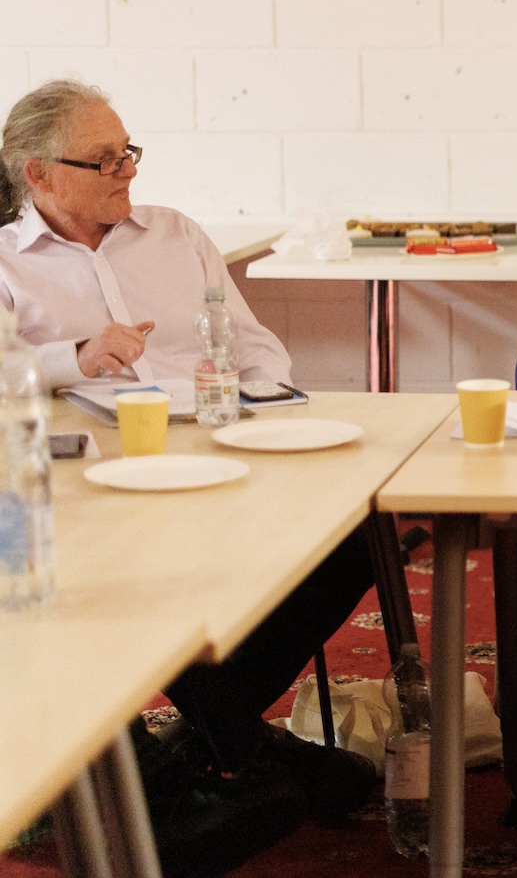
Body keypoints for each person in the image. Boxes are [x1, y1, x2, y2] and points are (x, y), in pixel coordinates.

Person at [0, 80, 375, 869]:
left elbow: (256, 344)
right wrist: (74, 357)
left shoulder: (176, 234)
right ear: (38, 173)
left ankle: (209, 742)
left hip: (222, 456)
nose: (128, 169)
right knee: (141, 572)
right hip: (95, 489)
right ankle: (238, 748)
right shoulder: (7, 264)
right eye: (104, 159)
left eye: (128, 150)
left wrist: (259, 404)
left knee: (358, 535)